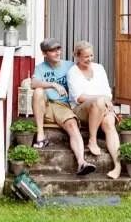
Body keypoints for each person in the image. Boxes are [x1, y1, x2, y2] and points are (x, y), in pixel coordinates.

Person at [31, 37, 96, 175]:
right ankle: (41, 135)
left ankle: (82, 163)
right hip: (46, 106)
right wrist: (53, 84)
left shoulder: (70, 66)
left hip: (63, 106)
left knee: (72, 125)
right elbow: (33, 83)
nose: (57, 52)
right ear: (44, 53)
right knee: (38, 92)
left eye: (58, 49)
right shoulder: (40, 68)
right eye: (52, 50)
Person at [66, 40, 122, 180]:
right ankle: (92, 139)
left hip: (103, 106)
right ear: (77, 56)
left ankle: (117, 166)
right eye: (86, 56)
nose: (89, 59)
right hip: (81, 110)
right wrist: (102, 100)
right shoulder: (73, 72)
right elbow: (79, 97)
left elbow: (108, 92)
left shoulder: (99, 68)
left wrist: (105, 101)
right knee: (98, 102)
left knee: (109, 123)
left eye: (91, 55)